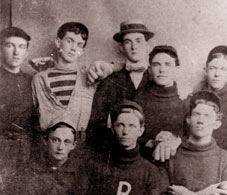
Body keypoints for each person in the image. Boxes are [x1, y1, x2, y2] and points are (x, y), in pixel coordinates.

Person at [86, 19, 154, 151]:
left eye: (139, 41)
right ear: (122, 48)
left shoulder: (157, 78)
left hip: (152, 153)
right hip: (116, 152)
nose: (134, 47)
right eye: (128, 42)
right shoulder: (109, 81)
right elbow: (96, 126)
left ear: (148, 46)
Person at [0, 26, 37, 195]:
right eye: (10, 45)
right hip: (2, 149)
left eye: (21, 47)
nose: (16, 52)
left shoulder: (31, 80)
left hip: (27, 149)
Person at [32, 22, 95, 144]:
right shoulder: (39, 79)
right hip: (47, 145)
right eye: (69, 41)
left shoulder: (90, 77)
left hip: (79, 146)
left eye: (79, 45)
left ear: (82, 50)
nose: (73, 48)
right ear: (58, 42)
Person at [134, 45, 187, 161]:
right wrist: (151, 142)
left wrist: (176, 141)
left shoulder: (185, 102)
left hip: (178, 164)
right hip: (144, 162)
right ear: (149, 69)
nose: (162, 70)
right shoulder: (139, 99)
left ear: (176, 69)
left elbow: (193, 135)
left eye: (167, 64)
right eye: (156, 64)